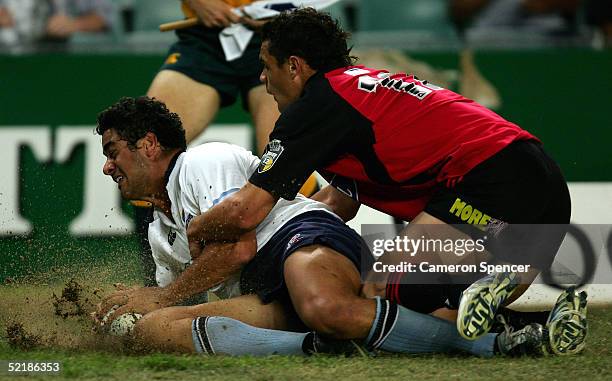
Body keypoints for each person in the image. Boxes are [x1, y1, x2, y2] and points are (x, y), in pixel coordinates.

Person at [181, 8, 587, 353]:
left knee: (382, 288)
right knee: (438, 313)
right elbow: (338, 203)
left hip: (490, 177)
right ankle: (543, 321)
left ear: (294, 66)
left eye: (267, 68)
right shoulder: (355, 92)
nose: (264, 81)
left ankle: (476, 285)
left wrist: (195, 229)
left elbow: (246, 210)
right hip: (543, 182)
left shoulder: (315, 107)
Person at [93, 96, 559, 357]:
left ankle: (492, 345)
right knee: (151, 331)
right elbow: (187, 293)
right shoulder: (160, 231)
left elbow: (236, 249)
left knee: (324, 304)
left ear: (150, 144)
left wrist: (161, 296)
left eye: (113, 152)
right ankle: (318, 347)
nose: (108, 167)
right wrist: (130, 311)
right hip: (265, 287)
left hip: (303, 238)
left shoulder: (201, 161)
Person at [135, 0, 318, 286]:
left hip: (277, 35)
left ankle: (315, 270)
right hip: (206, 37)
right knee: (143, 153)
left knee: (292, 163)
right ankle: (159, 288)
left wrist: (282, 9)